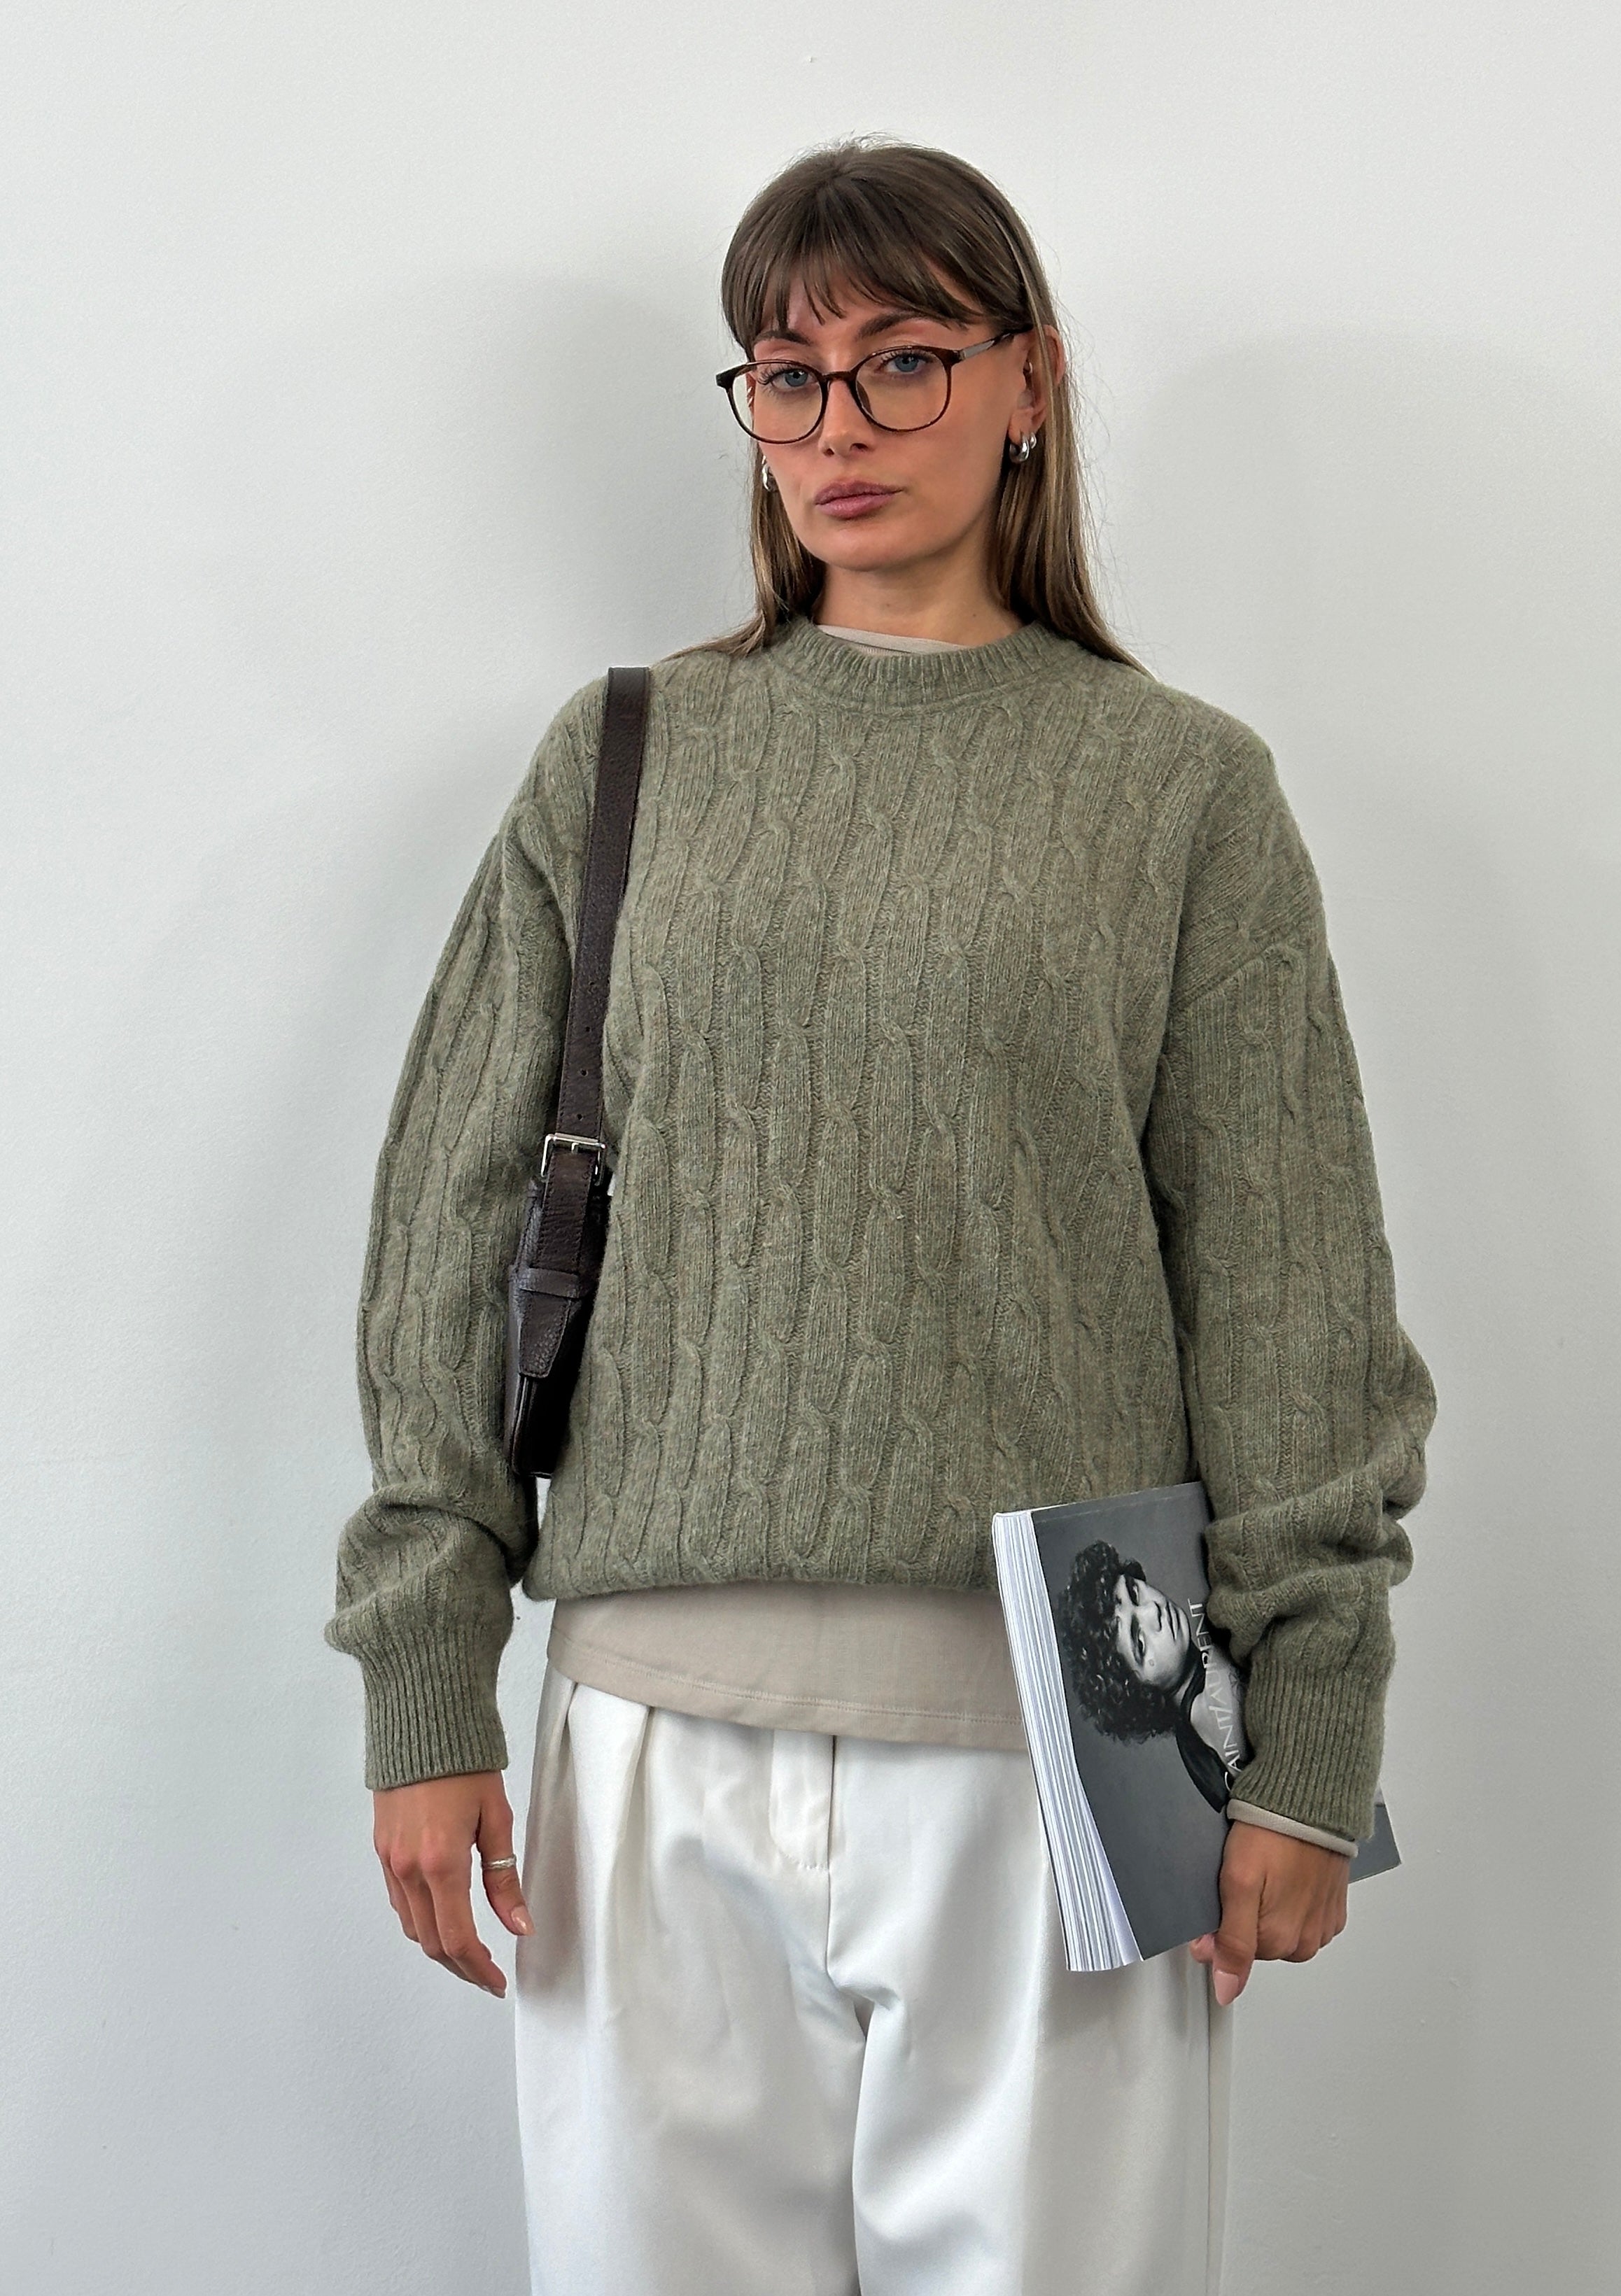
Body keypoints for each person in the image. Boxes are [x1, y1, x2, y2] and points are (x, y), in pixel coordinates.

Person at [325, 134, 1438, 2296]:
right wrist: (426, 1674)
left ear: (1028, 380)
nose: (837, 424)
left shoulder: (1177, 788)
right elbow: (447, 1237)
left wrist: (1309, 1741)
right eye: (785, 373)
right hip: (648, 1734)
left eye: (902, 360)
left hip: (1070, 1724)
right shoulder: (622, 755)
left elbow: (1287, 1278)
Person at [1055, 1540, 1246, 1811]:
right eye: (1140, 1642)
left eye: (1134, 1592)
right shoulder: (1215, 1695)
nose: (1152, 1610)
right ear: (1139, 1690)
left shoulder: (1190, 1739)